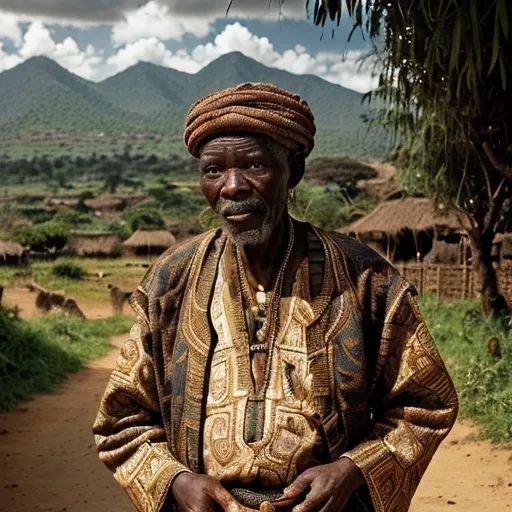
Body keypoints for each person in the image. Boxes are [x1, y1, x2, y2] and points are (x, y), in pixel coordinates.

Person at [93, 83, 458, 512]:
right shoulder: (170, 280)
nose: (232, 186)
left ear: (295, 170)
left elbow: (425, 404)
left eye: (254, 164)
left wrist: (351, 470)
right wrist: (176, 482)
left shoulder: (365, 278)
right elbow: (121, 422)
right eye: (213, 171)